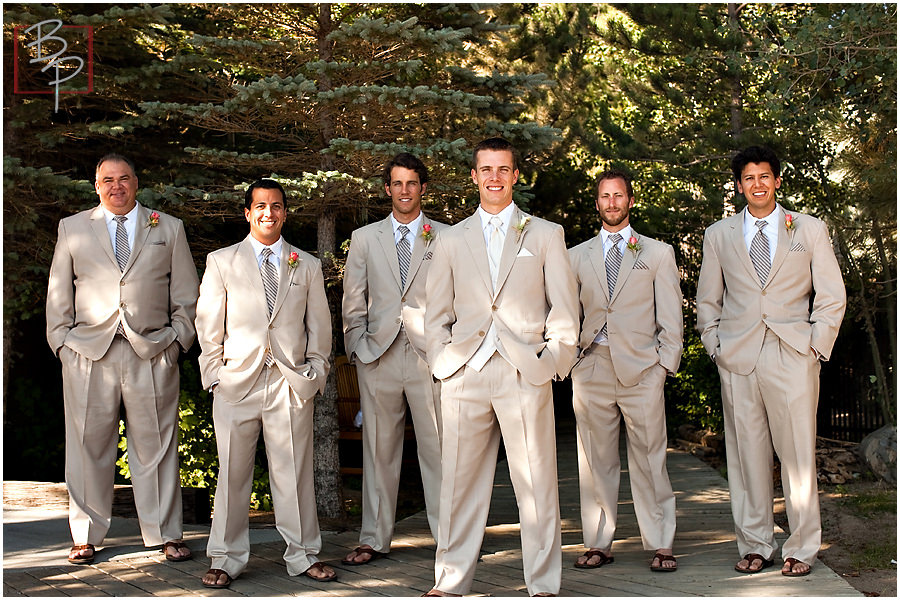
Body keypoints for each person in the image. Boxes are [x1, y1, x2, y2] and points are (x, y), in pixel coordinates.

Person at [423, 137, 579, 597]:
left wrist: (552, 360)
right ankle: (450, 582)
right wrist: (443, 364)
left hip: (523, 373)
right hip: (465, 373)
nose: (494, 177)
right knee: (458, 484)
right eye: (485, 169)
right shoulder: (450, 239)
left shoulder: (545, 234)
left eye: (503, 169)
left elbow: (565, 310)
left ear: (515, 176)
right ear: (474, 176)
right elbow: (435, 316)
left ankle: (544, 584)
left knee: (535, 482)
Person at [696, 146, 846, 577]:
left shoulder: (809, 229)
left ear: (777, 180)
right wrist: (715, 346)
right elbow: (708, 300)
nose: (757, 184)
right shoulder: (719, 235)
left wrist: (815, 347)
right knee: (746, 457)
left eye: (765, 176)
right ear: (739, 185)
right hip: (738, 357)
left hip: (793, 354)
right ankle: (757, 543)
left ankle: (801, 546)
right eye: (749, 178)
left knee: (798, 455)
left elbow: (832, 295)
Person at [46, 153, 199, 565]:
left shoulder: (167, 227)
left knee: (157, 446)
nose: (117, 186)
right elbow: (59, 293)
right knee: (87, 446)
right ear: (96, 186)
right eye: (107, 179)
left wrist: (176, 342)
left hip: (151, 352)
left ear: (136, 182)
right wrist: (63, 344)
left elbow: (186, 296)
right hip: (88, 354)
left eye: (124, 178)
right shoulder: (73, 228)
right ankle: (85, 534)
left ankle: (166, 534)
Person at [195, 179, 335, 588]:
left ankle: (303, 555)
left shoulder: (305, 264)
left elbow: (319, 328)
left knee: (293, 476)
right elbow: (209, 327)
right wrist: (215, 377)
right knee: (232, 475)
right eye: (260, 206)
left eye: (275, 206)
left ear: (285, 212)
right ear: (247, 212)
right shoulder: (222, 261)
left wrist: (314, 373)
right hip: (237, 383)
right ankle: (225, 557)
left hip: (290, 383)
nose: (267, 213)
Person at [568, 170, 683, 572]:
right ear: (596, 202)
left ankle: (661, 542)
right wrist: (572, 361)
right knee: (596, 461)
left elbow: (671, 315)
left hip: (642, 368)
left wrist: (664, 366)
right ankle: (598, 542)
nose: (612, 203)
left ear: (630, 201)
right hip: (593, 365)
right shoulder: (576, 256)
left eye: (618, 196)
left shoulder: (656, 253)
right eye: (605, 196)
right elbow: (568, 313)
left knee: (650, 457)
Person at [341, 153, 446, 565]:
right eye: (397, 184)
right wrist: (357, 347)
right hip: (378, 356)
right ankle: (373, 538)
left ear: (423, 188)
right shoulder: (366, 238)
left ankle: (449, 536)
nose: (405, 191)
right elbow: (354, 298)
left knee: (438, 449)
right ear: (388, 189)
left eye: (412, 183)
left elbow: (455, 296)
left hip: (429, 357)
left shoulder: (445, 236)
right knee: (379, 450)